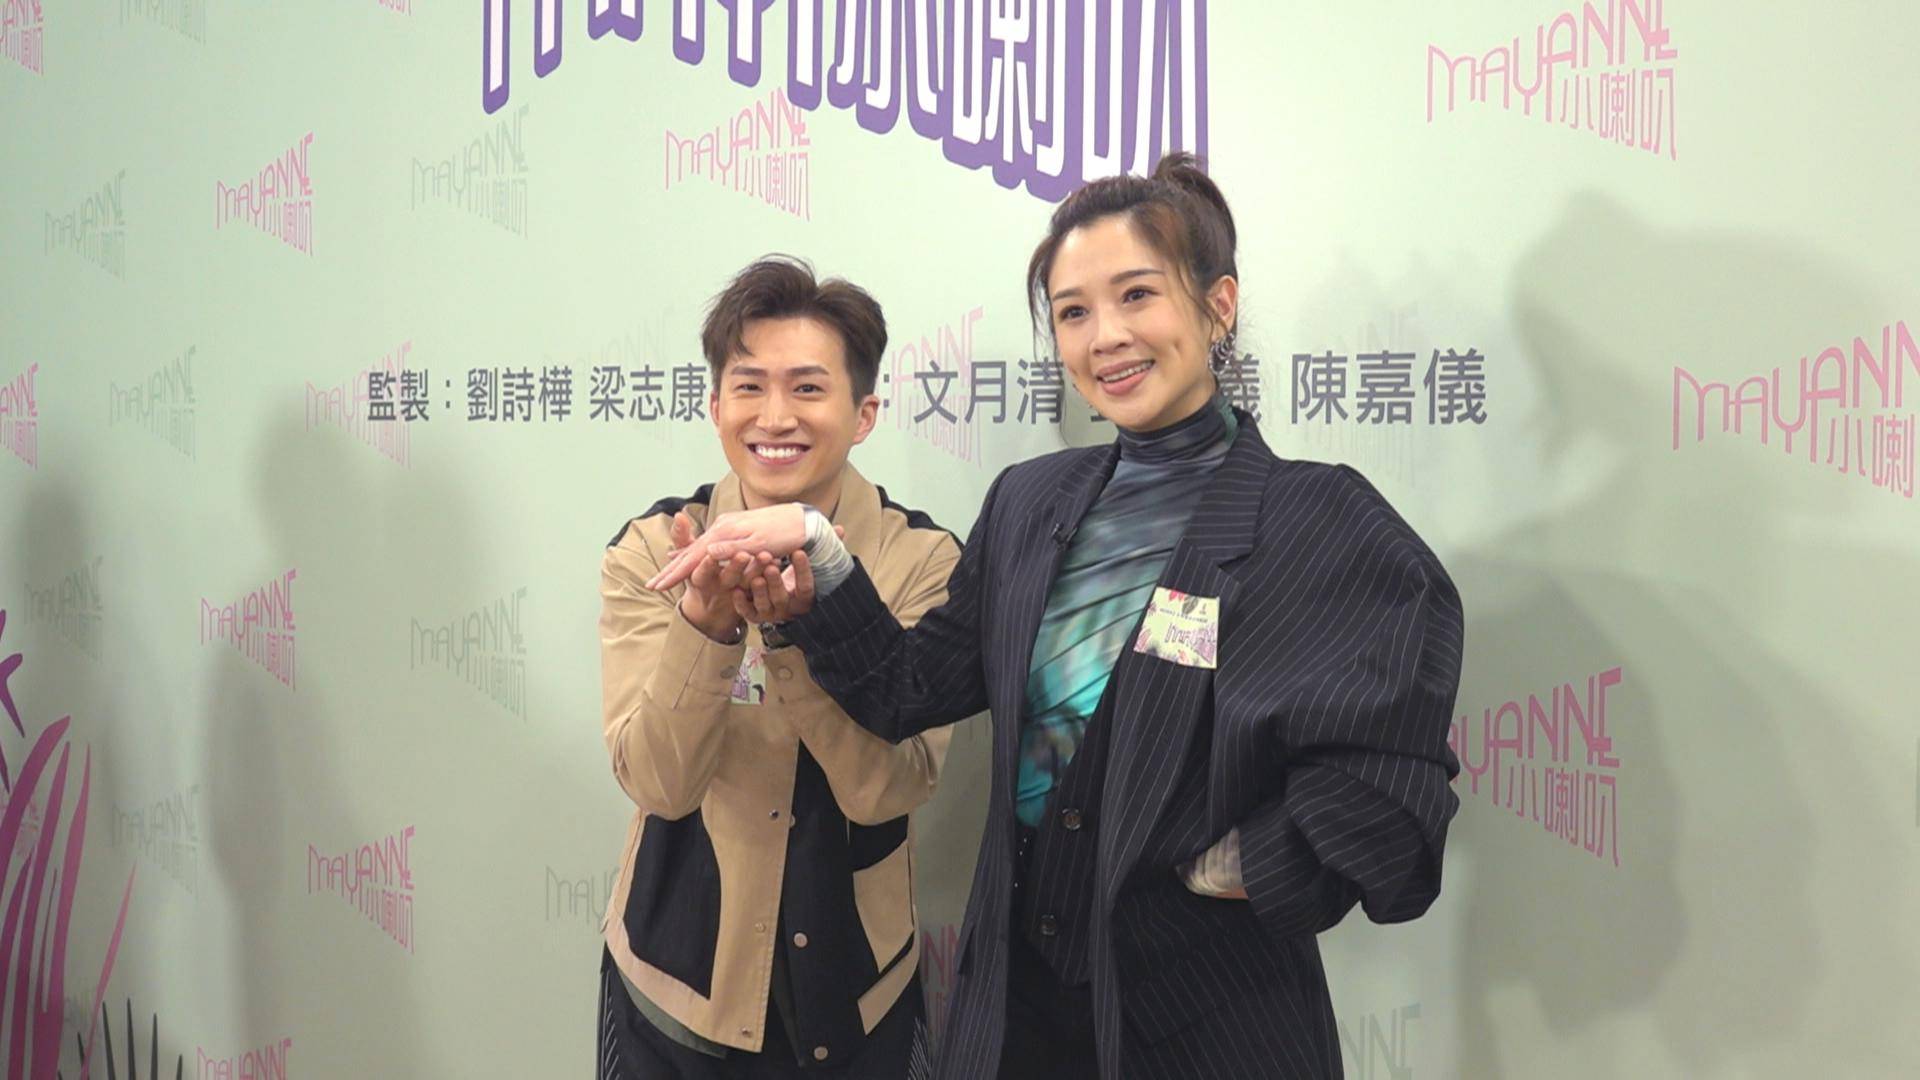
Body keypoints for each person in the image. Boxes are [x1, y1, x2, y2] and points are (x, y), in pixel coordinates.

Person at [648, 155, 1465, 1079]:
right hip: (1018, 1016)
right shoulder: (1032, 502)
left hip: (1210, 1022)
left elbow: (1390, 790)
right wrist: (821, 555)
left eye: (1137, 296)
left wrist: (1229, 872)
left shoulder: (1322, 521)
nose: (1105, 336)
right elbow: (908, 688)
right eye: (1073, 312)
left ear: (1219, 306)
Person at [597, 256, 960, 1078]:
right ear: (715, 405)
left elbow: (889, 789)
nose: (775, 417)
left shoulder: (923, 560)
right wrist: (706, 628)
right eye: (749, 386)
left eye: (807, 388)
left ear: (863, 413)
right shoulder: (655, 551)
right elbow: (658, 784)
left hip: (860, 984)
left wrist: (802, 633)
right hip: (676, 986)